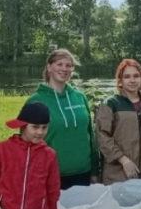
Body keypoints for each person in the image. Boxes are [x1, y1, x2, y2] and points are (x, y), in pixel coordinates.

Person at [27, 49, 99, 189]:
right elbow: (27, 142)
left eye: (68, 65)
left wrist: (95, 170)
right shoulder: (35, 101)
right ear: (49, 67)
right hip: (50, 175)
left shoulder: (80, 97)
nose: (64, 69)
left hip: (84, 172)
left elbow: (91, 136)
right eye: (59, 64)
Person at [96, 59, 141, 184]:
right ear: (120, 80)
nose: (132, 80)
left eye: (136, 76)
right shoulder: (111, 104)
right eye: (127, 77)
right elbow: (102, 137)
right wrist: (123, 160)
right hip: (118, 174)